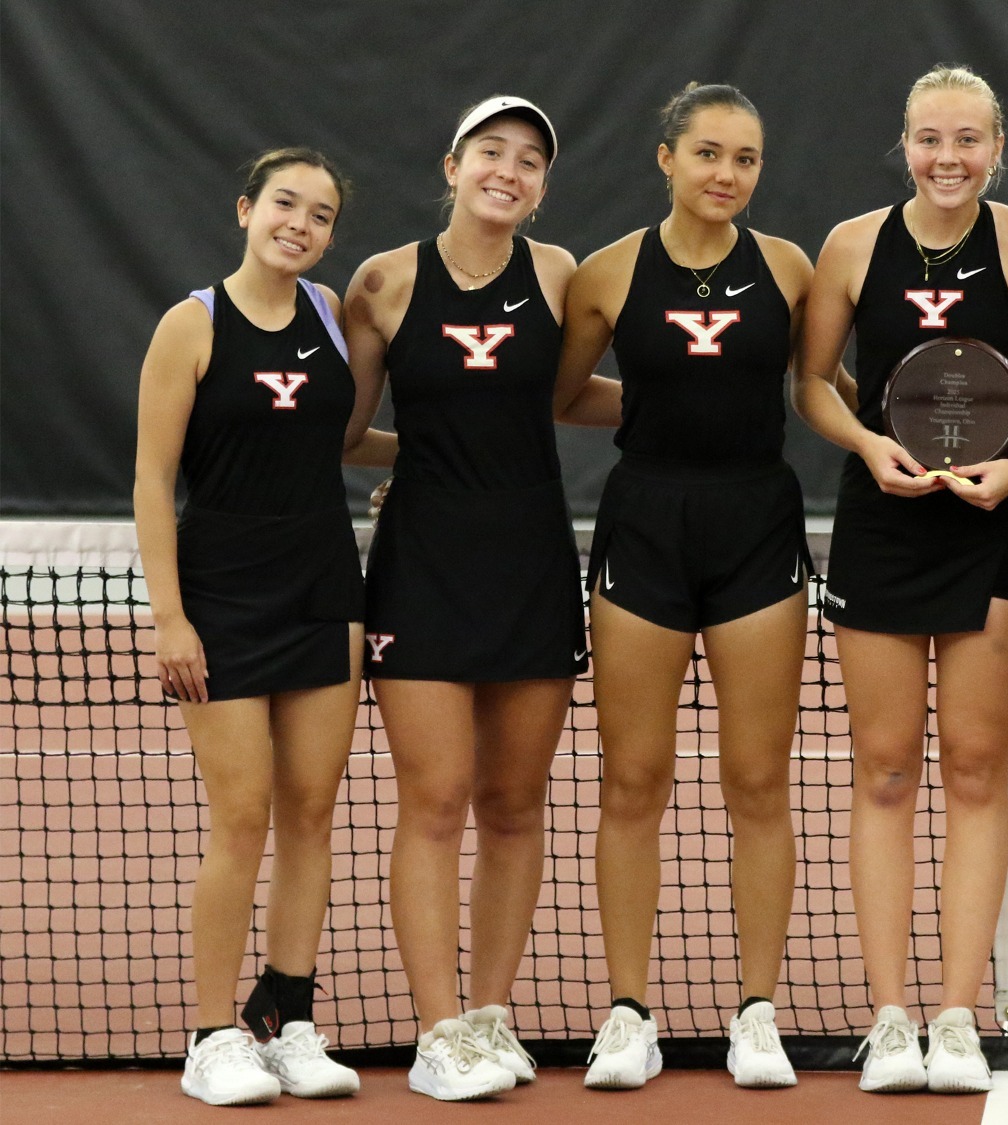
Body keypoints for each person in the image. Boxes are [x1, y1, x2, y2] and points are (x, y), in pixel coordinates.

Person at [343, 96, 620, 1101]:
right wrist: (420, 460)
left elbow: (567, 398)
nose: (509, 171)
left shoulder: (560, 276)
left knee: (513, 803)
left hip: (531, 562)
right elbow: (345, 433)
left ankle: (491, 1015)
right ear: (452, 166)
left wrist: (696, 395)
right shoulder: (382, 282)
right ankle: (436, 1032)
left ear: (542, 187)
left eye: (530, 160)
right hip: (421, 565)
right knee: (435, 798)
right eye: (491, 152)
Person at [796, 64, 1008, 1095]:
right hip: (882, 522)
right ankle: (892, 1016)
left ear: (997, 148)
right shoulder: (852, 245)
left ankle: (954, 1015)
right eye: (929, 138)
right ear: (903, 143)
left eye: (967, 139)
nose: (948, 158)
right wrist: (868, 445)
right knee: (885, 769)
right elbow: (812, 380)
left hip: (989, 528)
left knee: (977, 768)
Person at [557, 83, 814, 1092]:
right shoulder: (607, 272)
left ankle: (757, 1013)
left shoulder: (788, 269)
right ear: (665, 157)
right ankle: (628, 1013)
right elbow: (560, 393)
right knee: (633, 779)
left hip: (757, 528)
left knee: (757, 780)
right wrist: (658, 400)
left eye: (745, 158)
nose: (726, 174)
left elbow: (814, 386)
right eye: (707, 153)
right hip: (645, 527)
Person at [134, 148, 389, 1105]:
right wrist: (170, 617)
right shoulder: (191, 324)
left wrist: (438, 458)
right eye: (286, 203)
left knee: (312, 815)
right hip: (222, 597)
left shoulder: (330, 313)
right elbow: (152, 477)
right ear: (246, 208)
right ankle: (212, 1037)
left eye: (321, 215)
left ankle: (288, 1020)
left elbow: (341, 440)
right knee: (242, 816)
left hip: (324, 588)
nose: (301, 224)